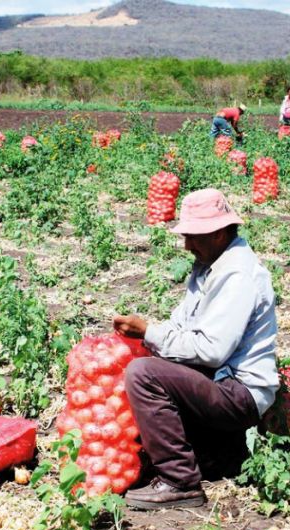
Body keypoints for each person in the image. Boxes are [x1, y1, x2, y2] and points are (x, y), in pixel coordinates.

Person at [113, 188, 279, 510]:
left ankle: (180, 483)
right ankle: (218, 452)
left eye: (193, 237)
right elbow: (181, 325)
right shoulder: (210, 263)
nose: (187, 245)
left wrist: (149, 332)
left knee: (144, 374)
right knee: (153, 360)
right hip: (218, 379)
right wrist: (151, 339)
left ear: (218, 233)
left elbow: (212, 350)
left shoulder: (237, 274)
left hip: (239, 392)